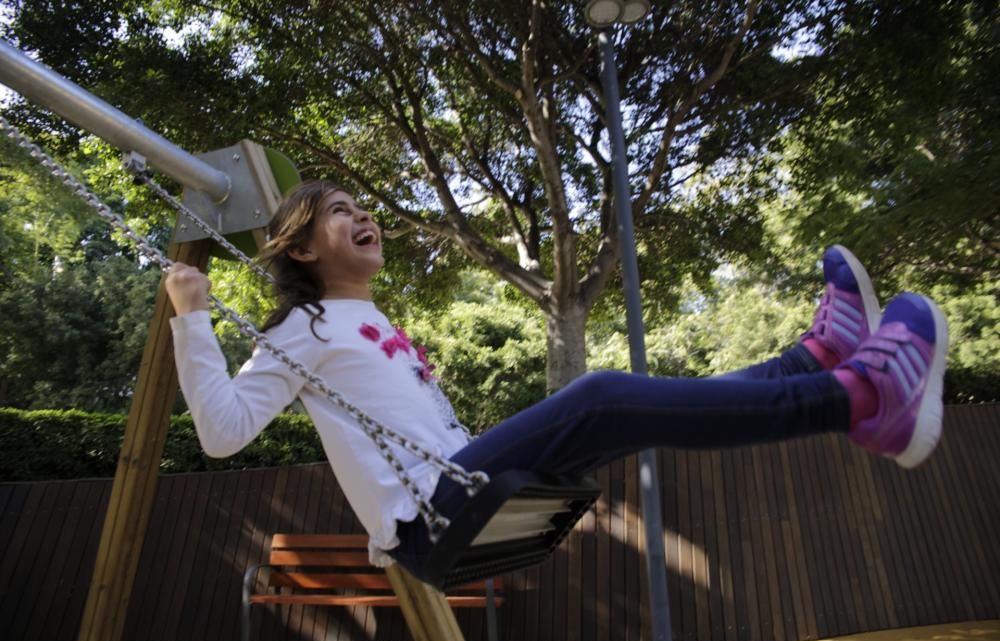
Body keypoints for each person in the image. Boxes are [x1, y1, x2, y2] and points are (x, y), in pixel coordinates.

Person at [165, 180, 948, 574]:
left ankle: (809, 364)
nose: (360, 214)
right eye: (338, 211)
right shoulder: (300, 329)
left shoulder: (370, 316)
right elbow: (223, 431)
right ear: (300, 248)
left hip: (466, 485)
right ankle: (862, 399)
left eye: (360, 204)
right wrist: (193, 315)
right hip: (433, 517)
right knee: (601, 395)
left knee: (629, 410)